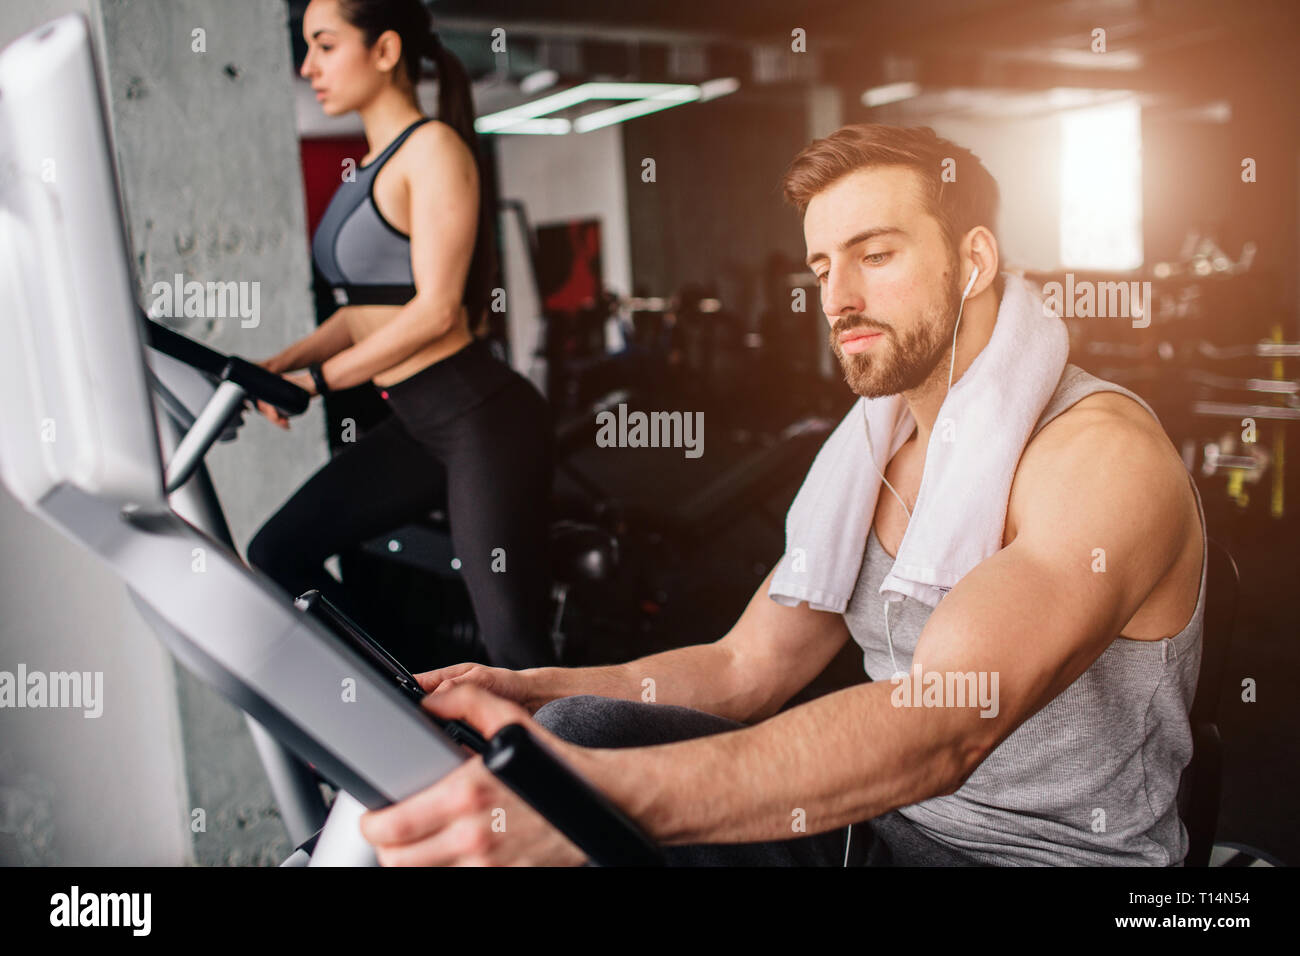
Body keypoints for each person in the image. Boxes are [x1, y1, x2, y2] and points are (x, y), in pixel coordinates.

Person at [357, 124, 1208, 866]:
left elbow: (946, 724)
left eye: (876, 255)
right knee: (582, 730)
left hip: (1035, 859)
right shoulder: (876, 445)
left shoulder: (1098, 458)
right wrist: (536, 692)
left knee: (583, 790)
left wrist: (607, 800)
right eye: (823, 266)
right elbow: (744, 667)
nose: (838, 299)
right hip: (890, 824)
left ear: (974, 260)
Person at [245, 0, 556, 670]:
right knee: (277, 553)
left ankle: (572, 769)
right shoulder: (369, 171)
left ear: (385, 52)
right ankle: (422, 706)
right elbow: (364, 310)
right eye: (308, 49)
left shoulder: (434, 150)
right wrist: (277, 363)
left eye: (324, 46)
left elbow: (437, 311)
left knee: (514, 650)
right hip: (415, 423)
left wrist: (317, 382)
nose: (308, 67)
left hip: (479, 418)